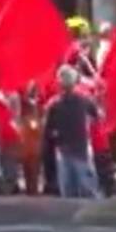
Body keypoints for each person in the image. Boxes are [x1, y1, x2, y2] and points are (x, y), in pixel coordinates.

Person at [44, 65, 99, 199]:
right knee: (88, 191)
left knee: (67, 192)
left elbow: (48, 131)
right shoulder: (84, 101)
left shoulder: (54, 105)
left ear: (59, 83)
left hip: (64, 150)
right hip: (82, 149)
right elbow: (97, 117)